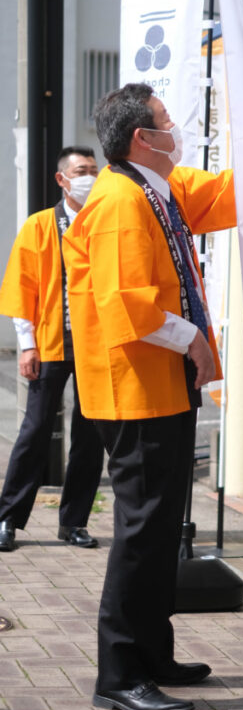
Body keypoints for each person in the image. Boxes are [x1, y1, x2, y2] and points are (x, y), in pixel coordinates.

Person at [62, 83, 239, 710]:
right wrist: (193, 339)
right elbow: (127, 304)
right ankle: (119, 671)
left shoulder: (152, 190)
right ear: (144, 138)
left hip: (159, 385)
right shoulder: (119, 200)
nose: (177, 130)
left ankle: (152, 653)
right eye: (168, 122)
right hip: (133, 389)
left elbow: (221, 195)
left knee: (161, 529)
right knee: (141, 532)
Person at [0, 147, 104, 553]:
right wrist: (27, 346)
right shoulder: (41, 225)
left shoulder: (104, 221)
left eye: (95, 170)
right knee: (36, 429)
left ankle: (74, 522)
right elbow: (20, 286)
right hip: (50, 342)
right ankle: (9, 517)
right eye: (82, 171)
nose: (90, 177)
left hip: (97, 345)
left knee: (90, 436)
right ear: (62, 179)